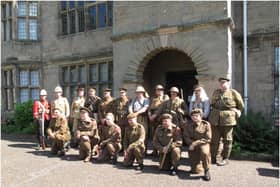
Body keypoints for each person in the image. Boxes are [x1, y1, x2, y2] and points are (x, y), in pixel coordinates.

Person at [208, 76, 244, 166]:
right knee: (215, 139)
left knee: (227, 139)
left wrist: (236, 112)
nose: (222, 84)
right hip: (215, 119)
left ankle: (225, 158)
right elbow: (212, 103)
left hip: (228, 119)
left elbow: (241, 105)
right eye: (221, 83)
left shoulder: (233, 93)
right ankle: (213, 158)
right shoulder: (216, 92)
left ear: (228, 83)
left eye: (224, 82)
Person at [183, 108, 212, 181]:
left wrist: (195, 143)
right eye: (193, 116)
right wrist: (191, 143)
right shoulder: (188, 125)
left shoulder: (206, 124)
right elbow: (186, 137)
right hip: (192, 145)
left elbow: (208, 138)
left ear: (201, 116)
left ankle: (207, 170)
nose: (194, 117)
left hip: (203, 144)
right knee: (195, 171)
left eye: (196, 116)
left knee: (205, 152)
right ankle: (196, 166)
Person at [148, 84, 169, 156]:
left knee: (162, 134)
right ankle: (154, 150)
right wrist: (150, 115)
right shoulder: (153, 98)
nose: (159, 91)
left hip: (161, 117)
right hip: (153, 118)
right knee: (154, 134)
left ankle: (161, 150)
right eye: (158, 89)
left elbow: (162, 107)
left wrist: (155, 115)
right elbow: (149, 108)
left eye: (161, 89)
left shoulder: (165, 97)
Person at [128, 86, 150, 151]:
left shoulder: (146, 100)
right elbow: (130, 107)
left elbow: (145, 108)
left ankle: (143, 149)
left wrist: (136, 113)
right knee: (135, 132)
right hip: (134, 117)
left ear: (142, 93)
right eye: (137, 92)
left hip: (142, 118)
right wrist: (132, 114)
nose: (138, 93)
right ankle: (134, 148)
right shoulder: (134, 99)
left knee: (144, 132)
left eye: (139, 92)